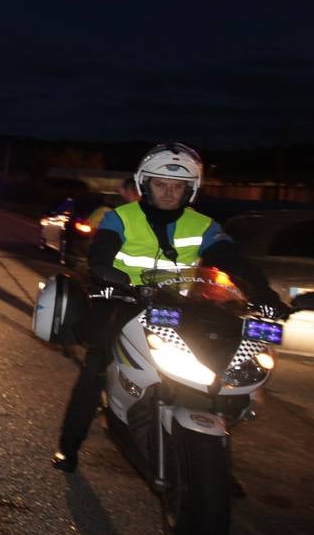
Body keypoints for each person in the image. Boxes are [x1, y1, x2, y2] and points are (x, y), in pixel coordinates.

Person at [52, 142, 287, 472]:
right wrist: (104, 271)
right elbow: (102, 250)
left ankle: (213, 458)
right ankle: (69, 444)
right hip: (127, 299)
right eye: (160, 184)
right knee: (96, 367)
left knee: (219, 370)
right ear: (145, 184)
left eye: (177, 186)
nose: (168, 193)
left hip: (183, 306)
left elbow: (232, 259)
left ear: (189, 191)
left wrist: (263, 293)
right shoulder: (120, 218)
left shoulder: (204, 226)